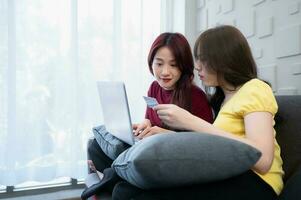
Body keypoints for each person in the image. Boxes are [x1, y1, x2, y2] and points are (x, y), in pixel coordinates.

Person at [112, 25, 284, 200]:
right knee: (124, 190)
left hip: (257, 183)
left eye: (203, 59)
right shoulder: (223, 98)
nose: (197, 66)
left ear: (224, 60)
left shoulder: (255, 88)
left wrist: (189, 121)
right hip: (228, 173)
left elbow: (263, 161)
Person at [86, 32, 213, 190]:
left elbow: (206, 145)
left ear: (184, 66)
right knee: (94, 145)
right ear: (151, 63)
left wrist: (163, 134)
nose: (165, 72)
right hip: (149, 148)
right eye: (159, 64)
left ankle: (111, 176)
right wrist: (144, 125)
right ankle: (113, 176)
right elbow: (150, 120)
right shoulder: (154, 87)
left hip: (171, 157)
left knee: (120, 161)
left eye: (173, 65)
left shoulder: (196, 96)